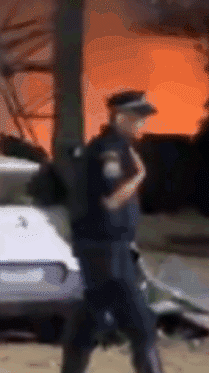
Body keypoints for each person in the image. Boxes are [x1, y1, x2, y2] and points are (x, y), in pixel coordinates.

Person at [61, 90, 165, 373]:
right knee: (141, 324)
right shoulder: (110, 151)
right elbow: (111, 200)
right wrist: (138, 177)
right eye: (137, 117)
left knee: (91, 317)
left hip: (107, 248)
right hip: (106, 249)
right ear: (119, 118)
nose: (142, 124)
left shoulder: (117, 148)